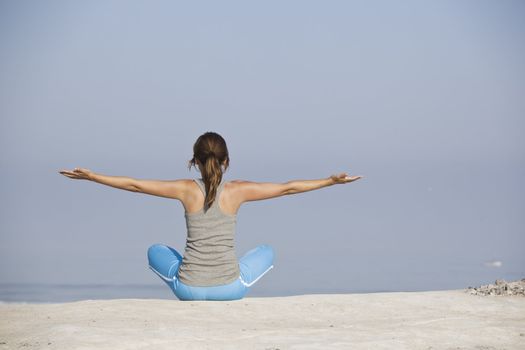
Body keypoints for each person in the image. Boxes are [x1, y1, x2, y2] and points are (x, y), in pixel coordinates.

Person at [59, 131, 363, 301]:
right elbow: (287, 189)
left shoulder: (184, 189)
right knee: (266, 252)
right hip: (229, 289)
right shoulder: (239, 191)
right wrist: (329, 181)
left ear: (194, 161)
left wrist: (93, 177)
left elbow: (136, 185)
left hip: (188, 289)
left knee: (156, 251)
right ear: (227, 161)